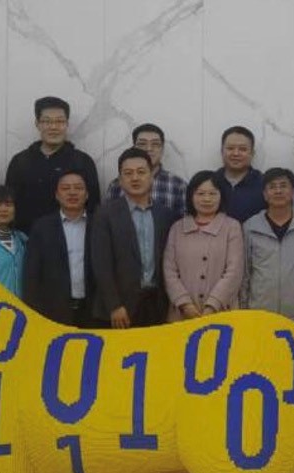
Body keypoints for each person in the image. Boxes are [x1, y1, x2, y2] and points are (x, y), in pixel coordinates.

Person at [90, 148, 178, 329]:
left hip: (157, 305)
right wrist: (114, 305)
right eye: (128, 173)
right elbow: (101, 264)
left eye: (141, 172)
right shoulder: (105, 214)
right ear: (120, 179)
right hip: (120, 309)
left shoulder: (166, 215)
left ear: (151, 176)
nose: (135, 178)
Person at [5, 96, 102, 232]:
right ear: (37, 124)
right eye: (47, 121)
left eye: (60, 121)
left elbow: (94, 208)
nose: (54, 127)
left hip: (73, 238)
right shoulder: (20, 162)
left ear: (67, 124)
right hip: (27, 238)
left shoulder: (82, 162)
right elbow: (8, 206)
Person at [162, 171, 245, 322]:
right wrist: (184, 304)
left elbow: (234, 271)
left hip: (222, 312)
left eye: (212, 194)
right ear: (191, 196)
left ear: (221, 196)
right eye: (200, 194)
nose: (207, 199)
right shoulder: (177, 228)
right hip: (182, 314)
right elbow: (169, 271)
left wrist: (213, 305)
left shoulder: (232, 227)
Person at [242, 168, 294, 329]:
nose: (278, 191)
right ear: (264, 194)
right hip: (259, 313)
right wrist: (243, 312)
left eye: (283, 186)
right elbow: (245, 274)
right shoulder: (251, 227)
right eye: (272, 187)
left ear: (293, 192)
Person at [22, 170, 94, 326]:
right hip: (52, 312)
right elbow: (31, 274)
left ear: (87, 194)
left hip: (93, 311)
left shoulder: (99, 224)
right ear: (57, 195)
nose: (72, 192)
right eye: (66, 188)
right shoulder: (42, 227)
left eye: (78, 188)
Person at [105, 123, 188, 219]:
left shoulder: (178, 185)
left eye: (155, 144)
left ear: (162, 149)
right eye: (142, 144)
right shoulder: (117, 185)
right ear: (134, 147)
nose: (149, 149)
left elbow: (184, 224)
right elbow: (107, 220)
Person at [216, 125, 266, 223]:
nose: (236, 153)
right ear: (222, 151)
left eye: (242, 149)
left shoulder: (264, 183)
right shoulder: (211, 182)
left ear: (252, 153)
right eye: (230, 148)